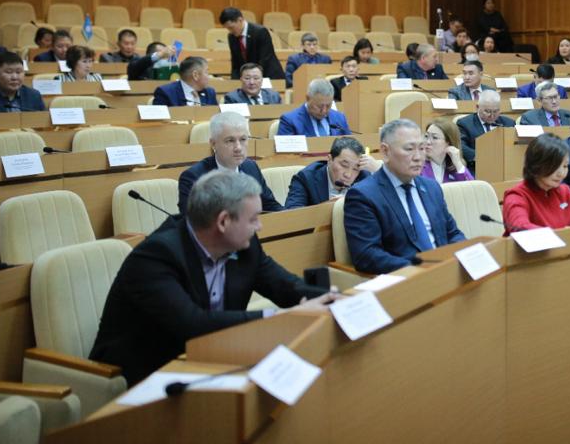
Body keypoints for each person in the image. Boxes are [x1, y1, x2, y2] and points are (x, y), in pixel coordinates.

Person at [89, 169, 334, 386]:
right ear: (223, 221)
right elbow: (192, 324)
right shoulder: (156, 256)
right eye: (253, 219)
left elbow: (284, 286)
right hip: (141, 375)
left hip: (208, 360)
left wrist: (334, 301)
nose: (259, 226)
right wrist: (286, 317)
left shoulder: (245, 245)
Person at [343, 119, 466, 274]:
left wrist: (465, 256)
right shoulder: (364, 195)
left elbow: (452, 233)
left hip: (446, 270)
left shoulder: (431, 187)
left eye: (422, 148)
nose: (418, 157)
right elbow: (367, 256)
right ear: (385, 151)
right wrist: (423, 270)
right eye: (409, 149)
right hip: (408, 278)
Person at [178, 111, 283, 214]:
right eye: (230, 141)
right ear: (213, 144)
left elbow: (270, 205)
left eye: (243, 139)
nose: (238, 148)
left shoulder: (251, 167)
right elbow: (192, 221)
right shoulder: (193, 178)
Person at [502, 134, 570, 232]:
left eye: (565, 166)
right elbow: (520, 227)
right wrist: (561, 234)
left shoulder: (564, 192)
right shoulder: (517, 195)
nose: (561, 173)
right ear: (536, 165)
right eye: (554, 166)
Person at [285, 137, 379, 209]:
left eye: (355, 169)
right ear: (329, 160)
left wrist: (378, 170)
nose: (348, 175)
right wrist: (329, 207)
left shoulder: (364, 177)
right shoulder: (306, 178)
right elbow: (292, 216)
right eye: (344, 165)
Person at [220, 7, 285, 83]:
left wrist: (253, 79)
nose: (230, 31)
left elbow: (265, 59)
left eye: (231, 27)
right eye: (228, 29)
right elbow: (235, 63)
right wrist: (234, 82)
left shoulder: (260, 31)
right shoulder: (231, 37)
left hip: (269, 77)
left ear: (240, 20)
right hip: (250, 79)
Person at [457, 90, 516, 168]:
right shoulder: (465, 124)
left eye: (496, 111)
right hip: (477, 165)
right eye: (487, 111)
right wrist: (482, 157)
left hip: (504, 165)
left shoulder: (509, 123)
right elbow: (461, 146)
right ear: (477, 107)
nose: (492, 115)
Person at [277, 78, 350, 136]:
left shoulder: (340, 118)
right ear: (308, 98)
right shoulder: (289, 121)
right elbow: (285, 150)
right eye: (319, 106)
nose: (324, 111)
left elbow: (350, 145)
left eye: (328, 106)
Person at [422, 118, 474, 183]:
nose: (428, 142)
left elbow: (471, 187)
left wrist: (458, 163)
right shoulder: (418, 165)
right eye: (426, 136)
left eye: (435, 137)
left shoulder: (454, 166)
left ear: (448, 143)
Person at [152, 56, 218, 107]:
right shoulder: (165, 93)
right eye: (206, 72)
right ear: (195, 75)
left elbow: (216, 117)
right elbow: (159, 118)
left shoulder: (209, 93)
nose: (209, 76)